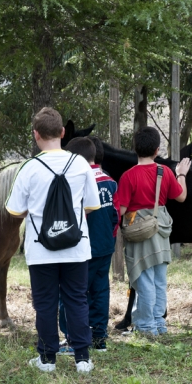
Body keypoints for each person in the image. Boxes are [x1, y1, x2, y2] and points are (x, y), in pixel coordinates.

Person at [6, 107, 101, 373]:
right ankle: (82, 357)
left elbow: (13, 210)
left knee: (45, 302)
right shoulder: (81, 163)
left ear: (36, 135)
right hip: (76, 246)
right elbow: (92, 205)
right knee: (77, 299)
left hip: (40, 249)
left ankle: (47, 359)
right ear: (62, 132)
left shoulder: (28, 168)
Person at [116, 126, 191, 337]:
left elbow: (121, 211)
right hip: (160, 231)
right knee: (159, 279)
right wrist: (182, 174)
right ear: (157, 150)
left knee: (144, 279)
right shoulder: (164, 172)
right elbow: (182, 196)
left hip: (139, 233)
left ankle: (146, 327)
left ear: (135, 149)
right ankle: (159, 324)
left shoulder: (128, 176)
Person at [58, 136, 119, 354]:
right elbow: (116, 216)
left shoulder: (78, 181)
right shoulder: (111, 182)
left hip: (81, 249)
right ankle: (99, 338)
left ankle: (74, 339)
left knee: (73, 293)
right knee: (100, 291)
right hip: (105, 247)